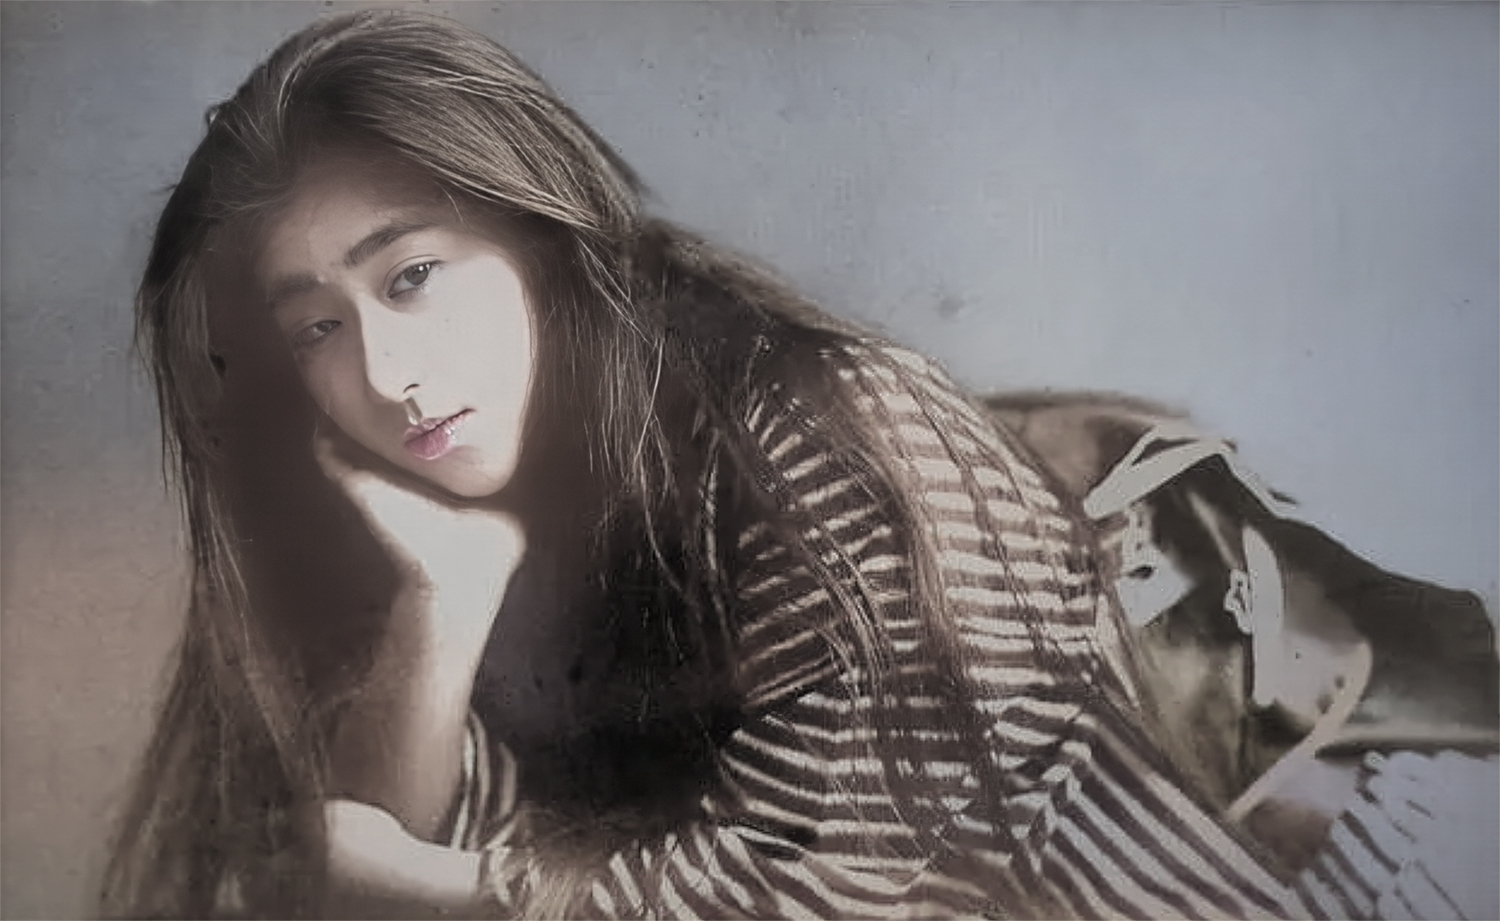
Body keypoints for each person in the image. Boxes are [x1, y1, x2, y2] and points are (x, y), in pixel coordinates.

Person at [102, 11, 1321, 919]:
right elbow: (361, 886)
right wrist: (443, 601)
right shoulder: (456, 525)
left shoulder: (829, 425)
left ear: (540, 240)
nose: (386, 370)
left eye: (412, 276)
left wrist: (463, 892)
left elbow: (851, 888)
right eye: (318, 326)